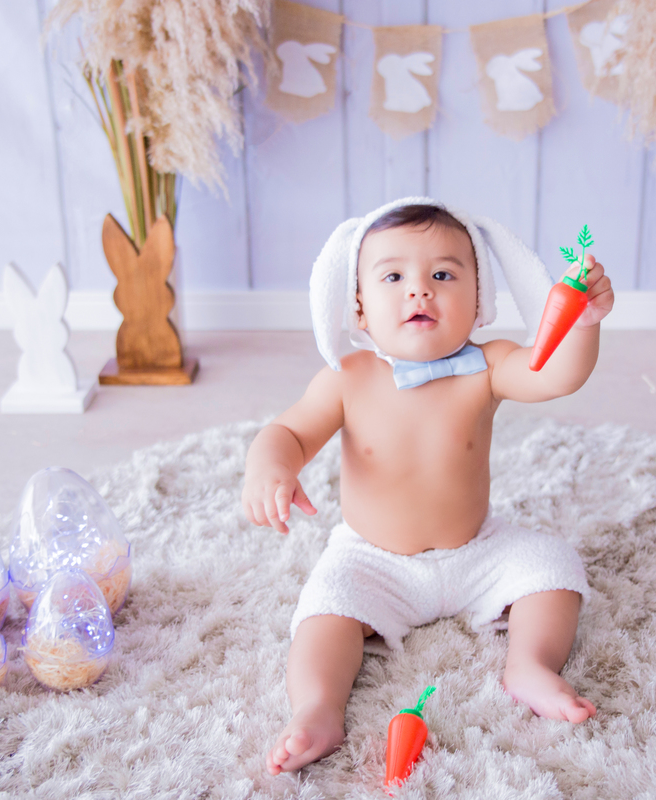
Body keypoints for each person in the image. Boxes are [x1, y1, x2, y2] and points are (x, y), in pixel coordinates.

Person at [241, 199, 615, 775]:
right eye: (394, 276)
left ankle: (530, 664)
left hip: (477, 549)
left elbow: (555, 374)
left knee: (554, 565)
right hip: (374, 561)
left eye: (443, 274)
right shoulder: (348, 378)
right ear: (360, 307)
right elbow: (288, 431)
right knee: (323, 611)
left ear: (478, 302)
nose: (420, 291)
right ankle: (317, 707)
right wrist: (271, 466)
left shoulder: (488, 365)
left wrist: (582, 324)